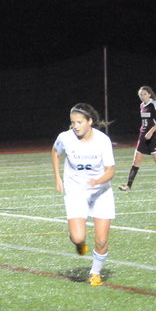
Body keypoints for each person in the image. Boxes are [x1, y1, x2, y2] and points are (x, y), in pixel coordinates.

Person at [52, 103, 115, 286]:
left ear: (90, 121)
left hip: (101, 193)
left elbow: (111, 171)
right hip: (76, 191)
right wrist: (58, 177)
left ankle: (95, 273)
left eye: (79, 122)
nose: (75, 126)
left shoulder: (103, 140)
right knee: (78, 237)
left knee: (101, 240)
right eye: (73, 122)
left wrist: (98, 181)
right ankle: (79, 242)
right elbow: (55, 152)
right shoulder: (65, 138)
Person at [119, 86, 156, 192]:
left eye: (144, 94)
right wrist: (144, 132)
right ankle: (128, 186)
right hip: (143, 135)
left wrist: (151, 132)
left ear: (149, 94)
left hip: (154, 136)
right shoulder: (141, 105)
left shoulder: (154, 104)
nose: (142, 96)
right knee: (136, 160)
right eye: (140, 95)